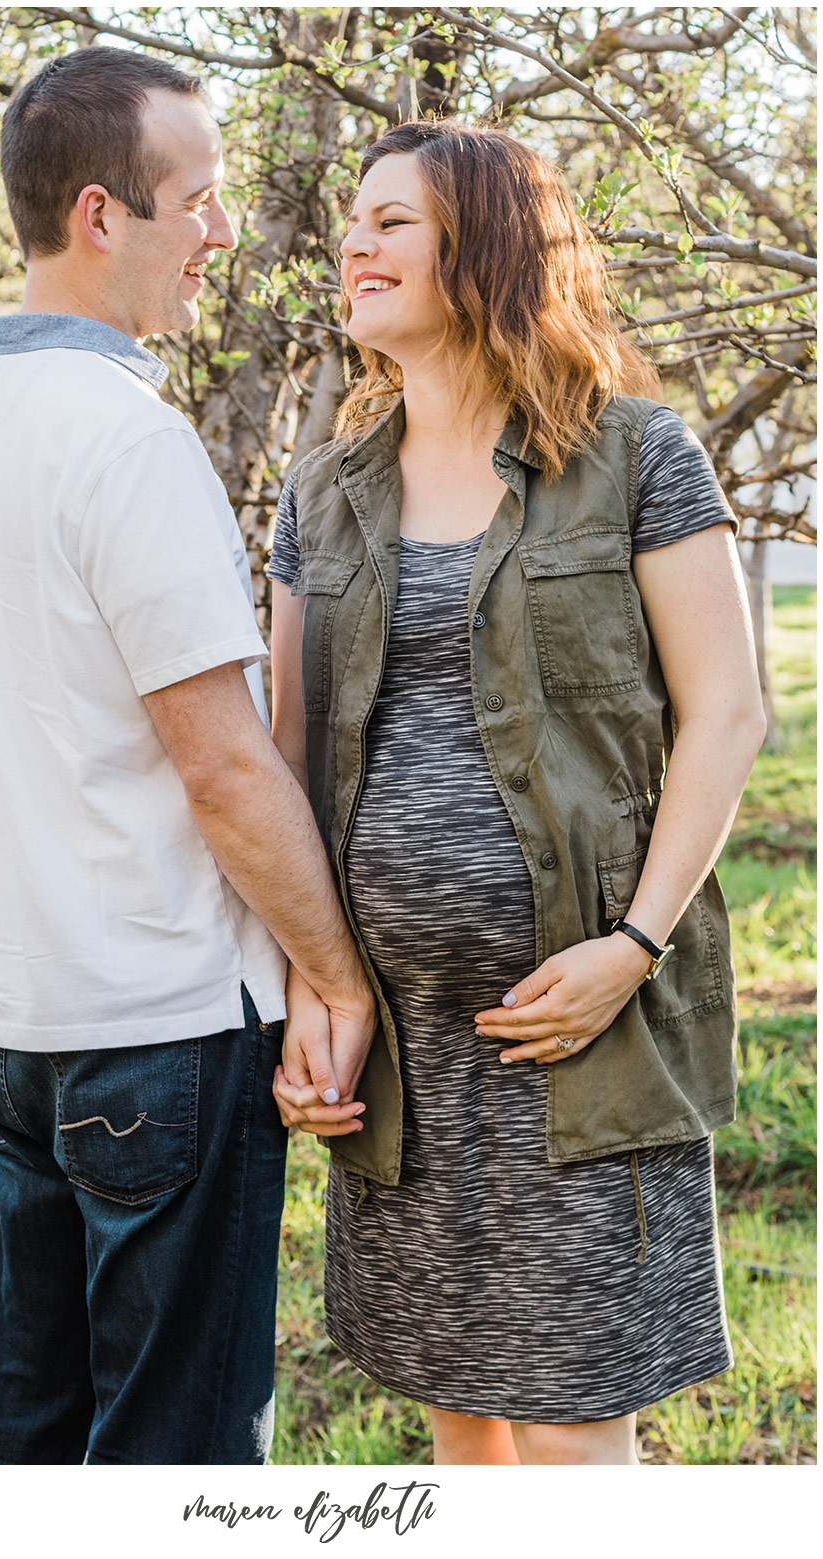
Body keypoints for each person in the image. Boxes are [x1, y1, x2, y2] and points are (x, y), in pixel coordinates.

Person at [0, 46, 374, 1466]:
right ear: (103, 216)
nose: (222, 234)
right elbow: (223, 765)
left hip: (19, 1025)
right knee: (179, 1466)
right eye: (201, 200)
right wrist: (332, 979)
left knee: (31, 1440)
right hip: (161, 1025)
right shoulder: (124, 438)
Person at [268, 121, 767, 1467]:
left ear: (481, 246)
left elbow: (728, 712)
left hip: (581, 1033)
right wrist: (312, 993)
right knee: (463, 1420)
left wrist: (633, 945)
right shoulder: (323, 493)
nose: (353, 247)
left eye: (392, 223)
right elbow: (288, 761)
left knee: (565, 1431)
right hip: (399, 1046)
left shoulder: (638, 458)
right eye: (350, 224)